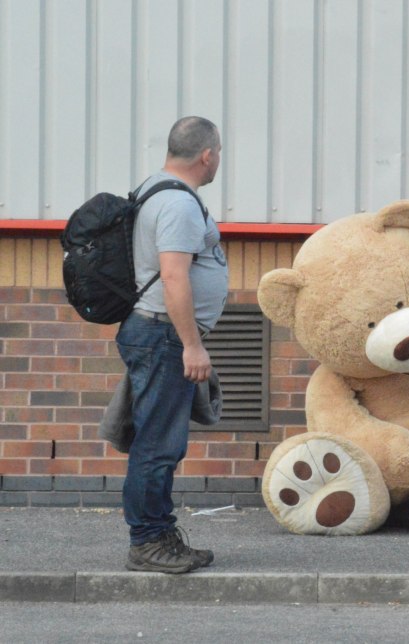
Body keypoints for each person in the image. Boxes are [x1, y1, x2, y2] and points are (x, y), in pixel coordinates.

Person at [118, 116, 228, 574]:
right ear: (207, 155)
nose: (219, 160)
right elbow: (174, 275)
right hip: (164, 335)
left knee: (159, 439)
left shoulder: (155, 188)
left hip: (157, 331)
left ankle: (160, 535)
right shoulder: (179, 204)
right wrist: (192, 346)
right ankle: (147, 541)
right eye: (218, 153)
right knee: (158, 444)